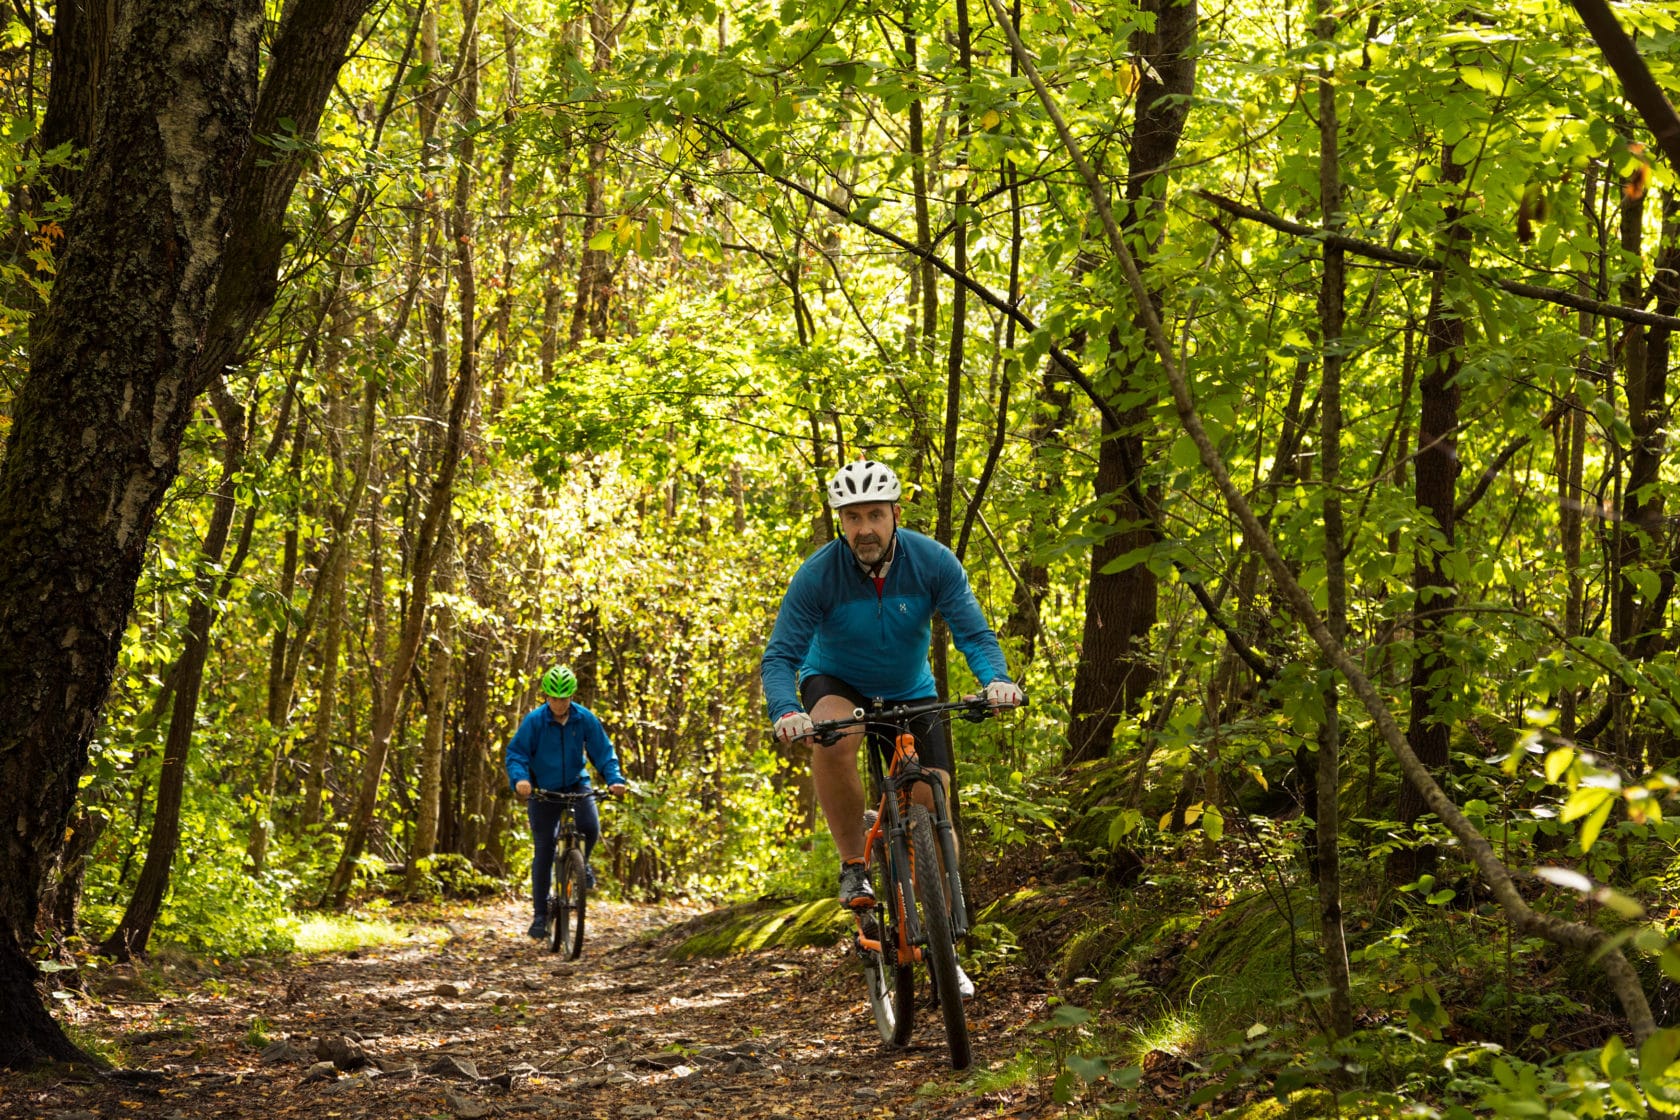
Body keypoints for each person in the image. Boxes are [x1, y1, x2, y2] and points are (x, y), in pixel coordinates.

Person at [761, 459, 1023, 994]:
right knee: (835, 733)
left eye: (874, 515)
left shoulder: (932, 562)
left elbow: (974, 633)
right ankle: (854, 863)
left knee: (932, 798)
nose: (864, 529)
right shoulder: (818, 574)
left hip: (911, 690)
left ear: (895, 514)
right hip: (837, 682)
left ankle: (945, 950)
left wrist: (996, 679)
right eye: (852, 517)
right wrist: (787, 711)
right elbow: (781, 656)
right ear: (840, 522)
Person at [505, 664, 629, 940]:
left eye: (564, 699)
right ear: (546, 697)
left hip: (576, 782)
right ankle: (540, 916)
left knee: (590, 826)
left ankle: (581, 864)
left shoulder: (584, 719)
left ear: (572, 697)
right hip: (542, 789)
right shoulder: (535, 721)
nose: (560, 704)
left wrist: (614, 779)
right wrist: (521, 780)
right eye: (554, 698)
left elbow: (603, 751)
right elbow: (516, 754)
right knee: (544, 849)